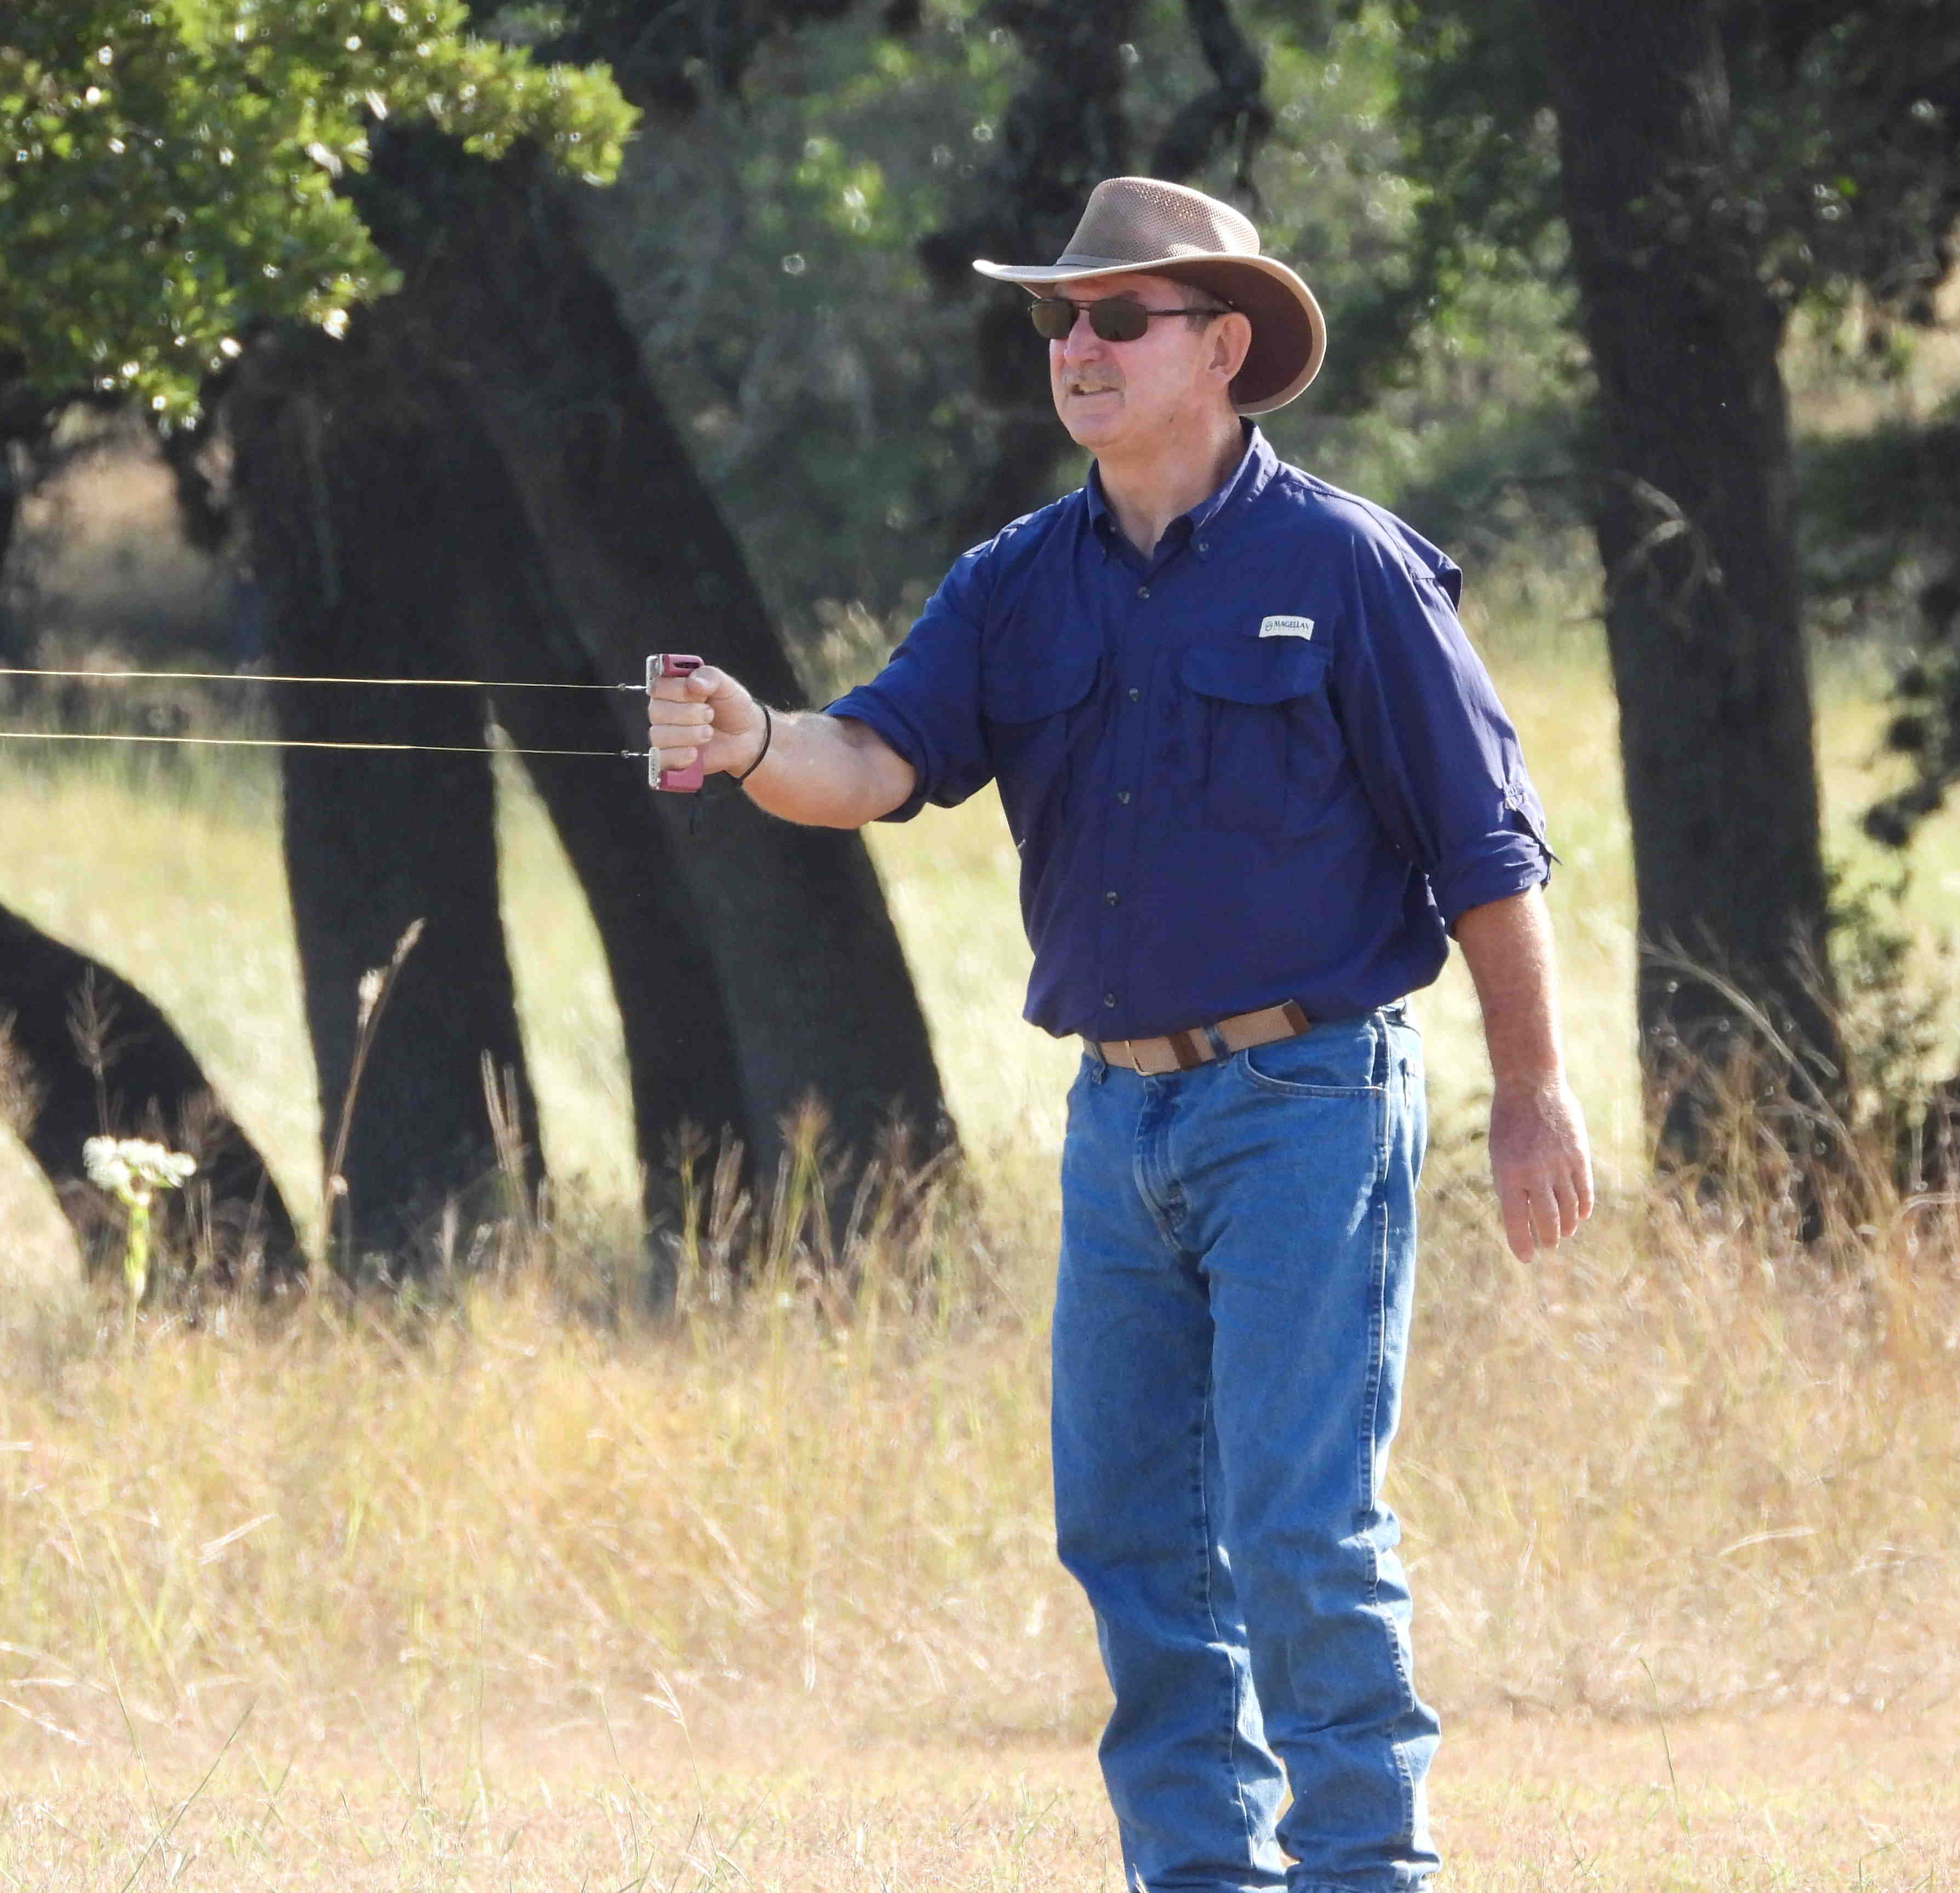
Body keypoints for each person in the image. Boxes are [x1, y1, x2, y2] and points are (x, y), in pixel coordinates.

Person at [649, 175, 1594, 1893]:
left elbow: (1487, 854)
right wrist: (754, 736)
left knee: (1299, 1529)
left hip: (1312, 1099)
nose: (1077, 347)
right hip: (1116, 1122)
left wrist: (1532, 1093)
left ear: (1222, 348)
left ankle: (1366, 1874)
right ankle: (1201, 1876)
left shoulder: (1353, 567)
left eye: (1119, 318)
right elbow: (872, 762)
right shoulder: (1013, 583)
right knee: (1132, 1540)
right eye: (1058, 318)